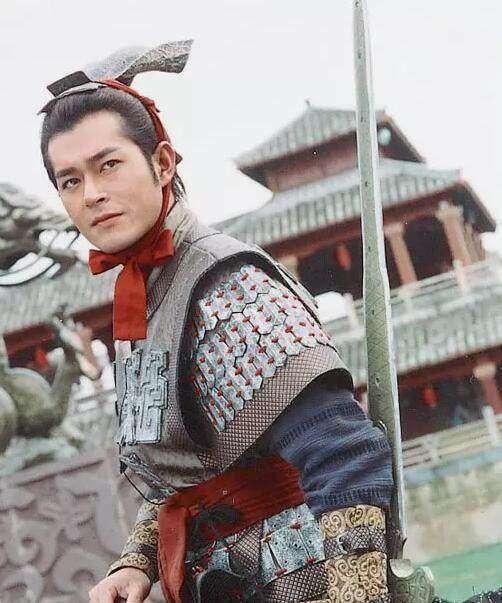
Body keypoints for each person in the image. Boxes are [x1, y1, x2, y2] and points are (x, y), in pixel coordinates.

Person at [38, 40, 394, 603]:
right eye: (70, 180)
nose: (93, 194)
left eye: (108, 165)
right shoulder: (150, 296)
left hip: (305, 581)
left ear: (162, 163)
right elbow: (186, 471)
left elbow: (344, 454)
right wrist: (138, 560)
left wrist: (359, 595)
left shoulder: (226, 284)